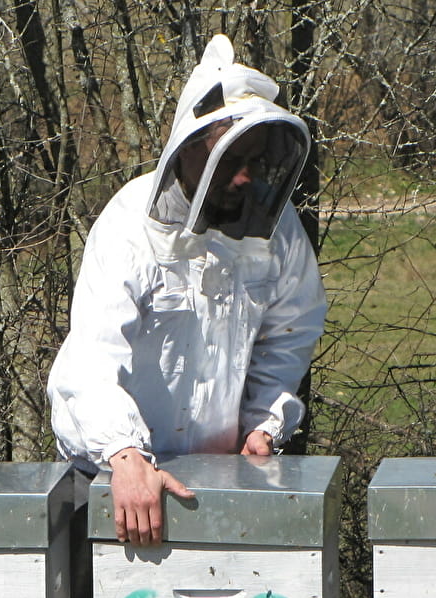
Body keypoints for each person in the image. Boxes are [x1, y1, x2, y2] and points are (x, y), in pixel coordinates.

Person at [47, 33, 326, 547]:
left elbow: (290, 333)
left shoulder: (277, 228)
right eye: (232, 159)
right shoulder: (130, 226)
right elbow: (92, 358)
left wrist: (263, 425)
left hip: (218, 479)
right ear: (193, 146)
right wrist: (125, 455)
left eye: (255, 160)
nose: (245, 177)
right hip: (113, 477)